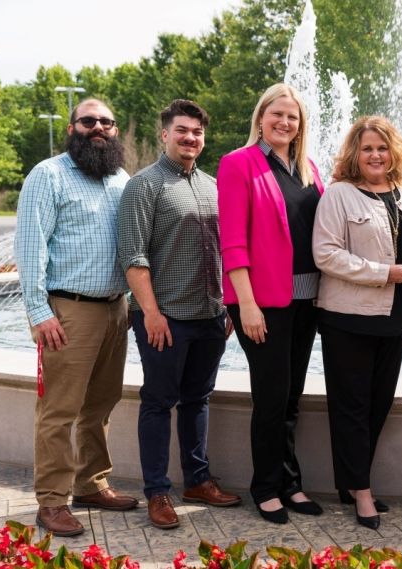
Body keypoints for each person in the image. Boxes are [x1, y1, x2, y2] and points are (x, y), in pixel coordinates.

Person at [14, 98, 139, 537]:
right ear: (72, 128)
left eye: (106, 121)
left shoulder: (120, 179)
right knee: (59, 411)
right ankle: (51, 500)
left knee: (100, 405)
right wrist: (38, 312)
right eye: (89, 121)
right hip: (68, 312)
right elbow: (31, 247)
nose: (98, 128)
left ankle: (91, 483)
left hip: (114, 309)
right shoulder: (47, 176)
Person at [118, 100, 241, 530]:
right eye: (182, 130)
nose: (191, 138)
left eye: (197, 132)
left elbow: (228, 252)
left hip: (209, 315)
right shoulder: (143, 186)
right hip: (164, 317)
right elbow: (132, 255)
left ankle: (197, 480)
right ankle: (157, 492)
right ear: (164, 134)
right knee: (158, 402)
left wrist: (227, 305)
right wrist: (149, 313)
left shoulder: (213, 186)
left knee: (198, 400)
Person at [312, 116, 402, 530]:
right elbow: (325, 254)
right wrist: (385, 272)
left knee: (378, 404)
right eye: (367, 149)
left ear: (393, 152)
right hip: (349, 316)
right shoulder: (339, 195)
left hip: (397, 315)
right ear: (355, 155)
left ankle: (351, 480)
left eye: (382, 148)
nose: (376, 155)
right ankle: (361, 491)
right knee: (352, 406)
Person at [217, 84, 325, 524]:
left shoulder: (309, 168)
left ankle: (290, 483)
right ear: (261, 117)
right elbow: (233, 240)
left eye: (293, 117)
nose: (284, 122)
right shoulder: (238, 163)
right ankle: (265, 487)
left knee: (292, 398)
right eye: (277, 114)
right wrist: (246, 304)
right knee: (270, 397)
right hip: (261, 303)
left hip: (306, 301)